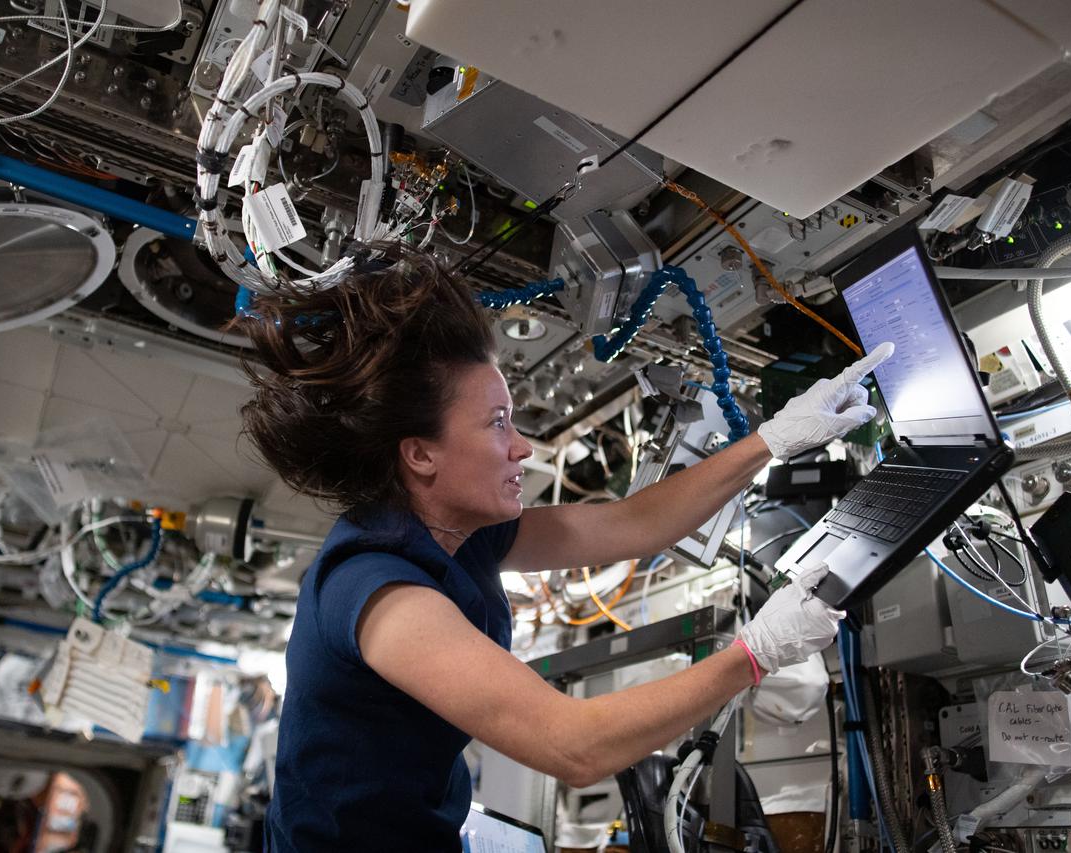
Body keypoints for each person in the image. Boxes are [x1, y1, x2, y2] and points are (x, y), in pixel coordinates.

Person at [237, 245, 893, 852]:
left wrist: (773, 439)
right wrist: (756, 652)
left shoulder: (459, 530)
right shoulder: (380, 592)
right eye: (498, 424)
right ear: (420, 453)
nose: (523, 446)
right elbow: (572, 744)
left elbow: (633, 524)